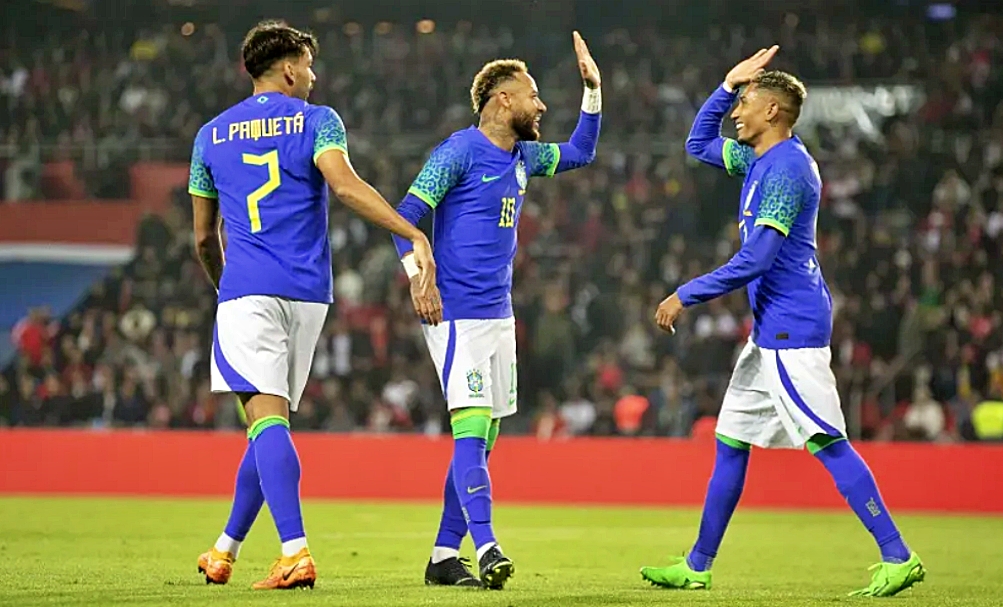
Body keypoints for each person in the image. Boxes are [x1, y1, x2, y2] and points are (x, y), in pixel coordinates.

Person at [641, 47, 926, 598]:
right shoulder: (758, 161)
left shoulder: (788, 170)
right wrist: (727, 84)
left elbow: (757, 260)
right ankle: (698, 565)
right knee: (730, 442)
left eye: (745, 103)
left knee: (827, 441)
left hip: (792, 328)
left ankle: (898, 555)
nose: (736, 114)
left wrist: (686, 294)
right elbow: (696, 143)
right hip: (769, 327)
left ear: (773, 111)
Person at [188, 20, 441, 590]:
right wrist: (411, 232)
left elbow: (204, 238)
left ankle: (295, 552)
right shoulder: (318, 121)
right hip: (307, 295)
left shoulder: (210, 135)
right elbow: (346, 188)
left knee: (266, 422)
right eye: (308, 64)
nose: (314, 75)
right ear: (288, 69)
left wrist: (224, 285)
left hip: (247, 290)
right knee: (267, 426)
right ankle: (224, 549)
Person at [391, 32, 602, 590]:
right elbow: (405, 216)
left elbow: (582, 151)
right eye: (533, 95)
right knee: (470, 430)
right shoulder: (459, 151)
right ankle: (486, 546)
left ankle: (442, 555)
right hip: (455, 312)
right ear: (502, 99)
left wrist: (593, 91)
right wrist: (419, 279)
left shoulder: (523, 157)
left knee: (483, 439)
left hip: (498, 316)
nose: (542, 105)